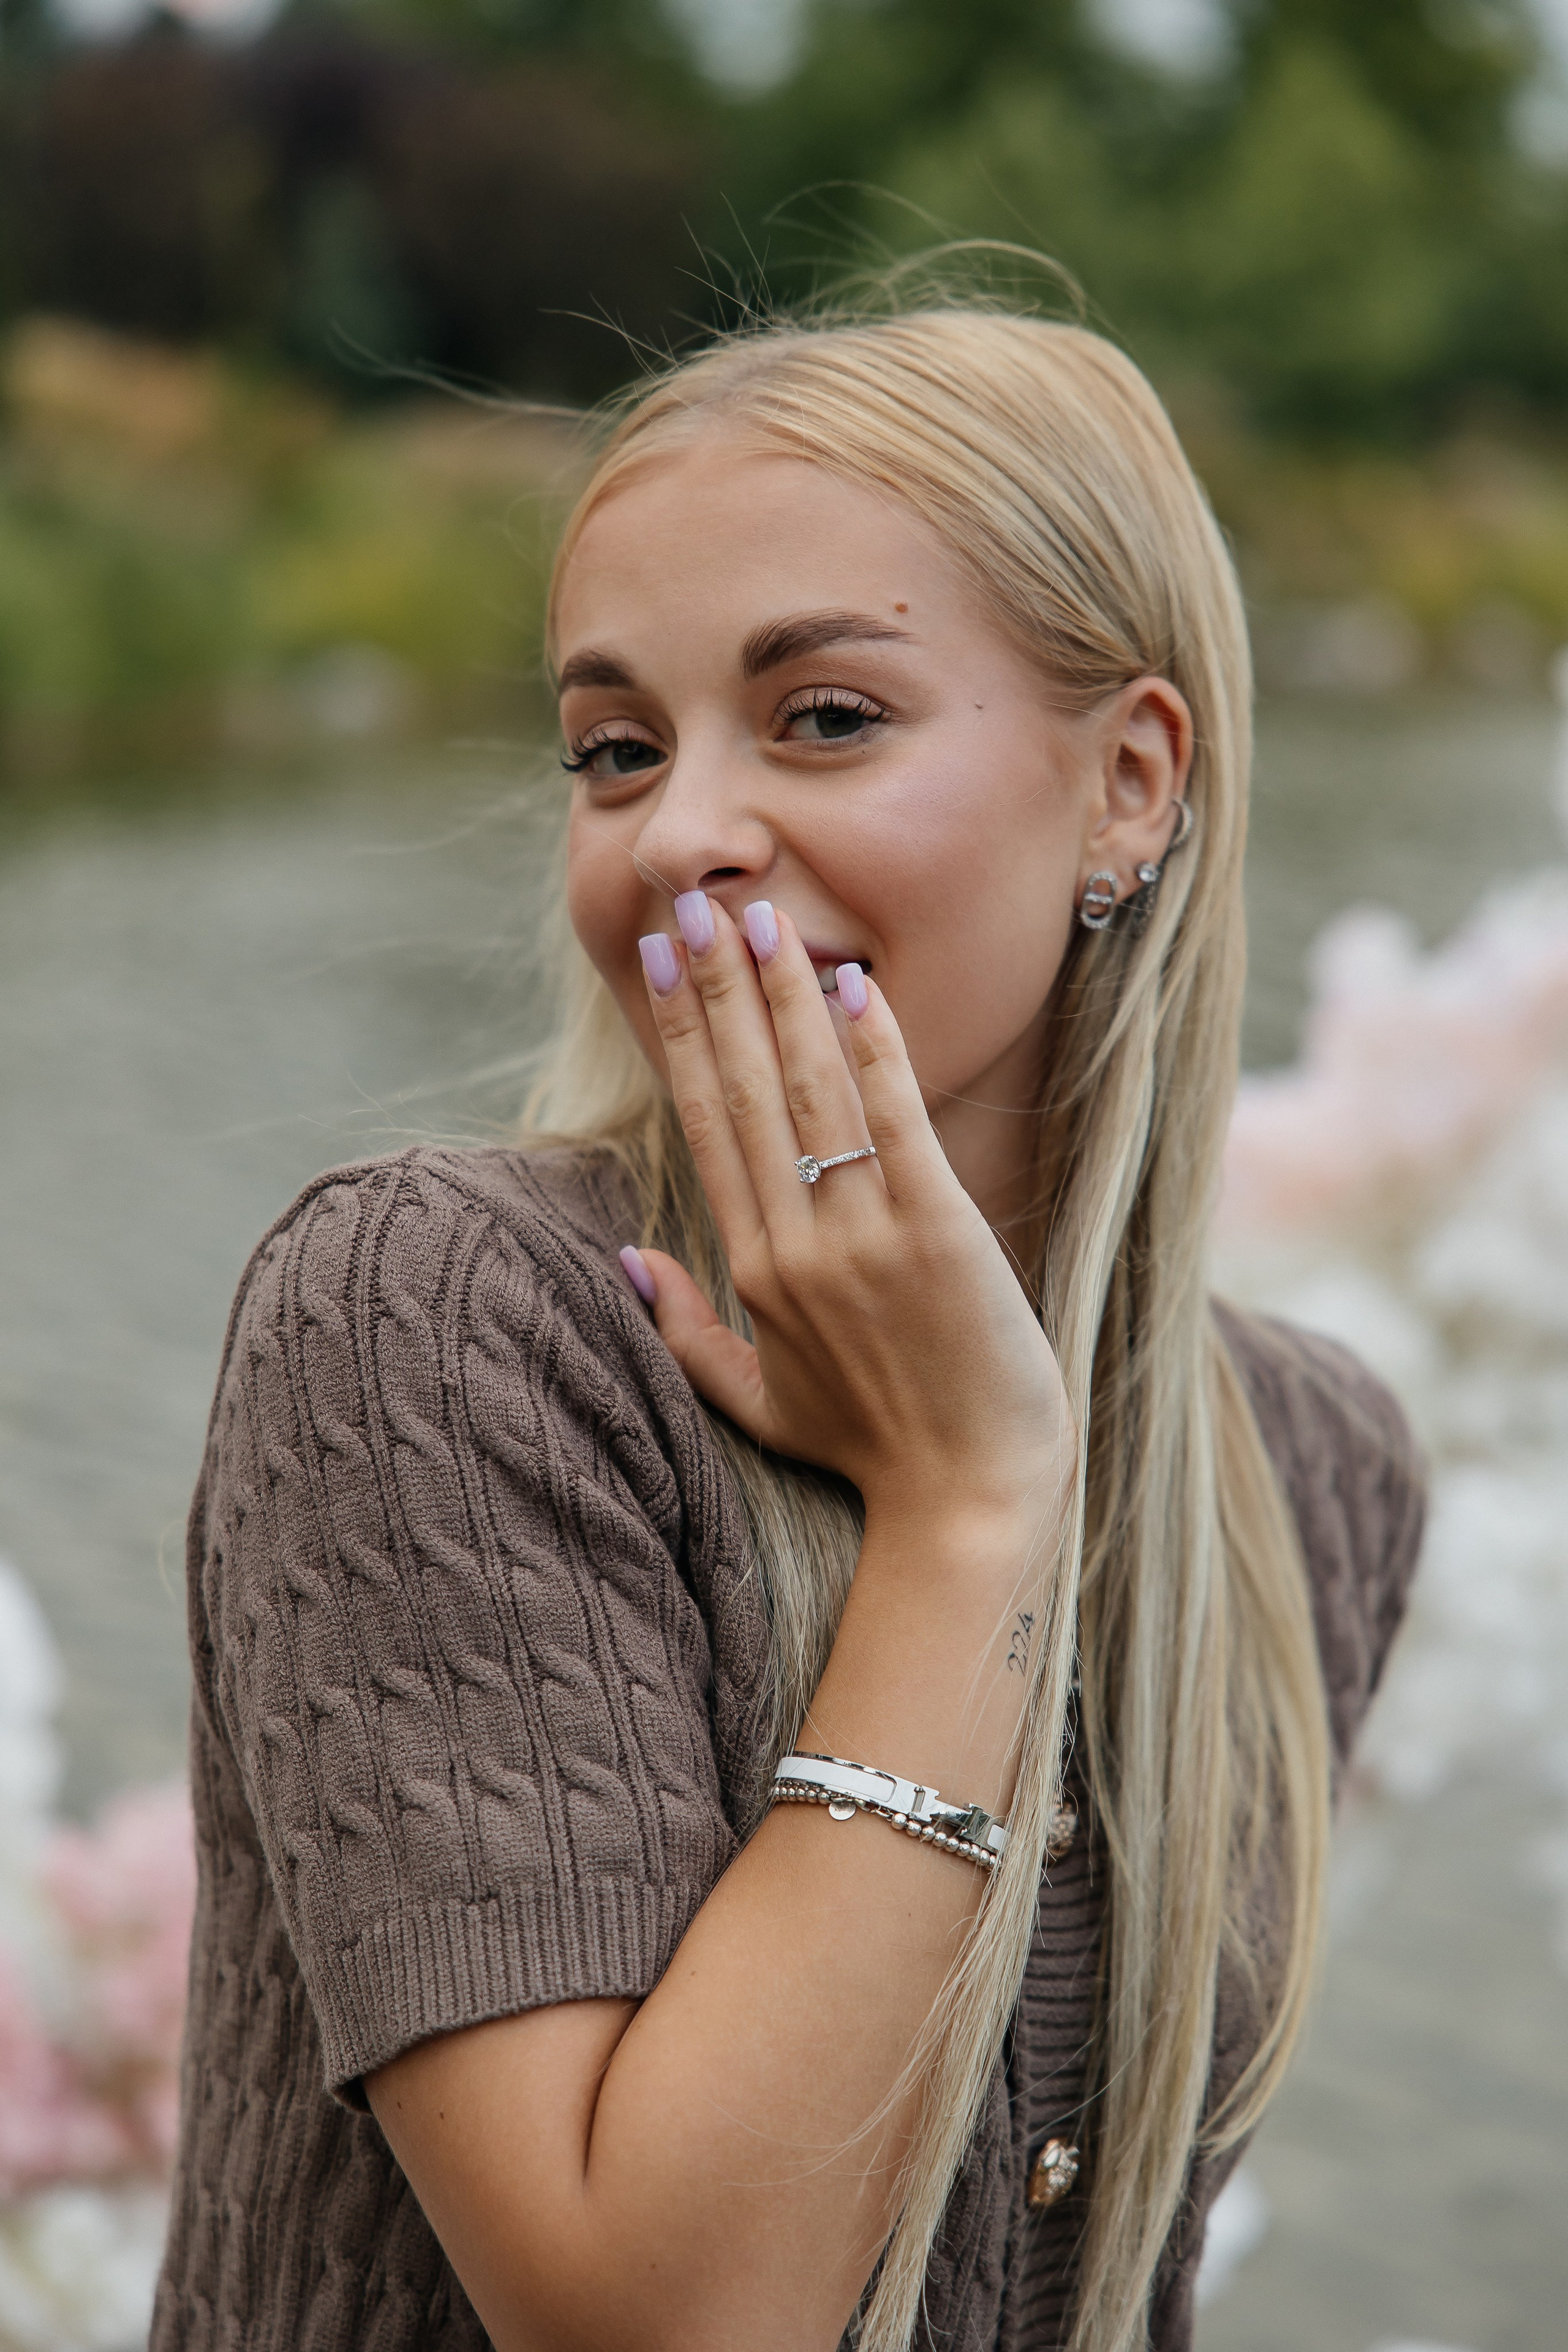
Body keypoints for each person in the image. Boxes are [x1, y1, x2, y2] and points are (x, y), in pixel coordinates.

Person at [153, 300, 1424, 2352]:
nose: (677, 838)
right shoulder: (444, 1324)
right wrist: (966, 1512)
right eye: (617, 750)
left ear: (1130, 785)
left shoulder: (1310, 1475)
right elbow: (658, 2321)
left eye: (824, 716)